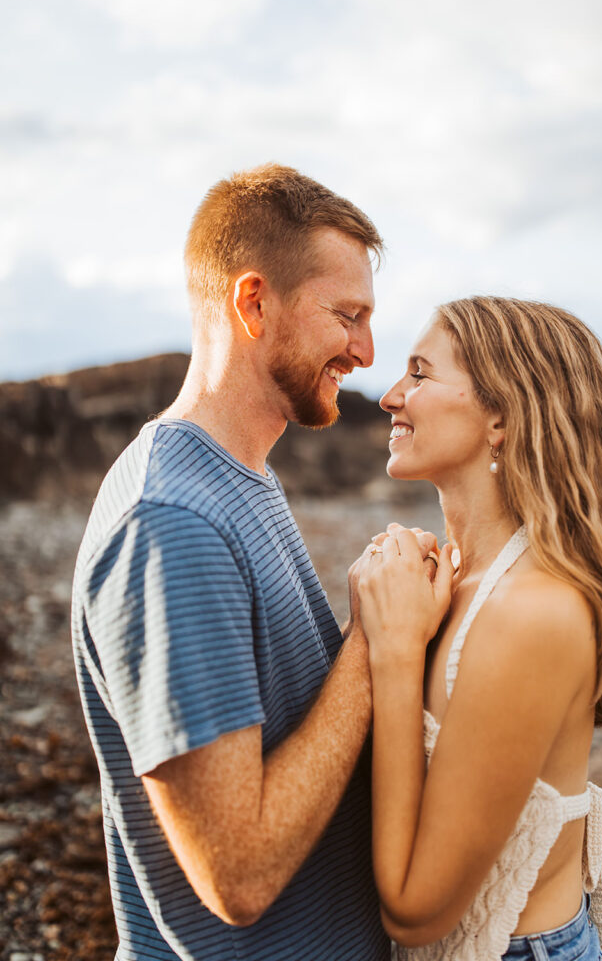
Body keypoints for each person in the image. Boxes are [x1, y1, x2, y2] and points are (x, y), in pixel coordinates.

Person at [71, 163, 399, 960]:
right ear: (253, 302)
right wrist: (372, 644)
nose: (364, 349)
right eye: (345, 315)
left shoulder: (239, 473)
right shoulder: (170, 523)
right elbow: (238, 874)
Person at [352, 296, 602, 961]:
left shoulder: (529, 613)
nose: (390, 395)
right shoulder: (459, 583)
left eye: (418, 373)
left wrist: (390, 653)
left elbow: (414, 912)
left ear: (499, 416)